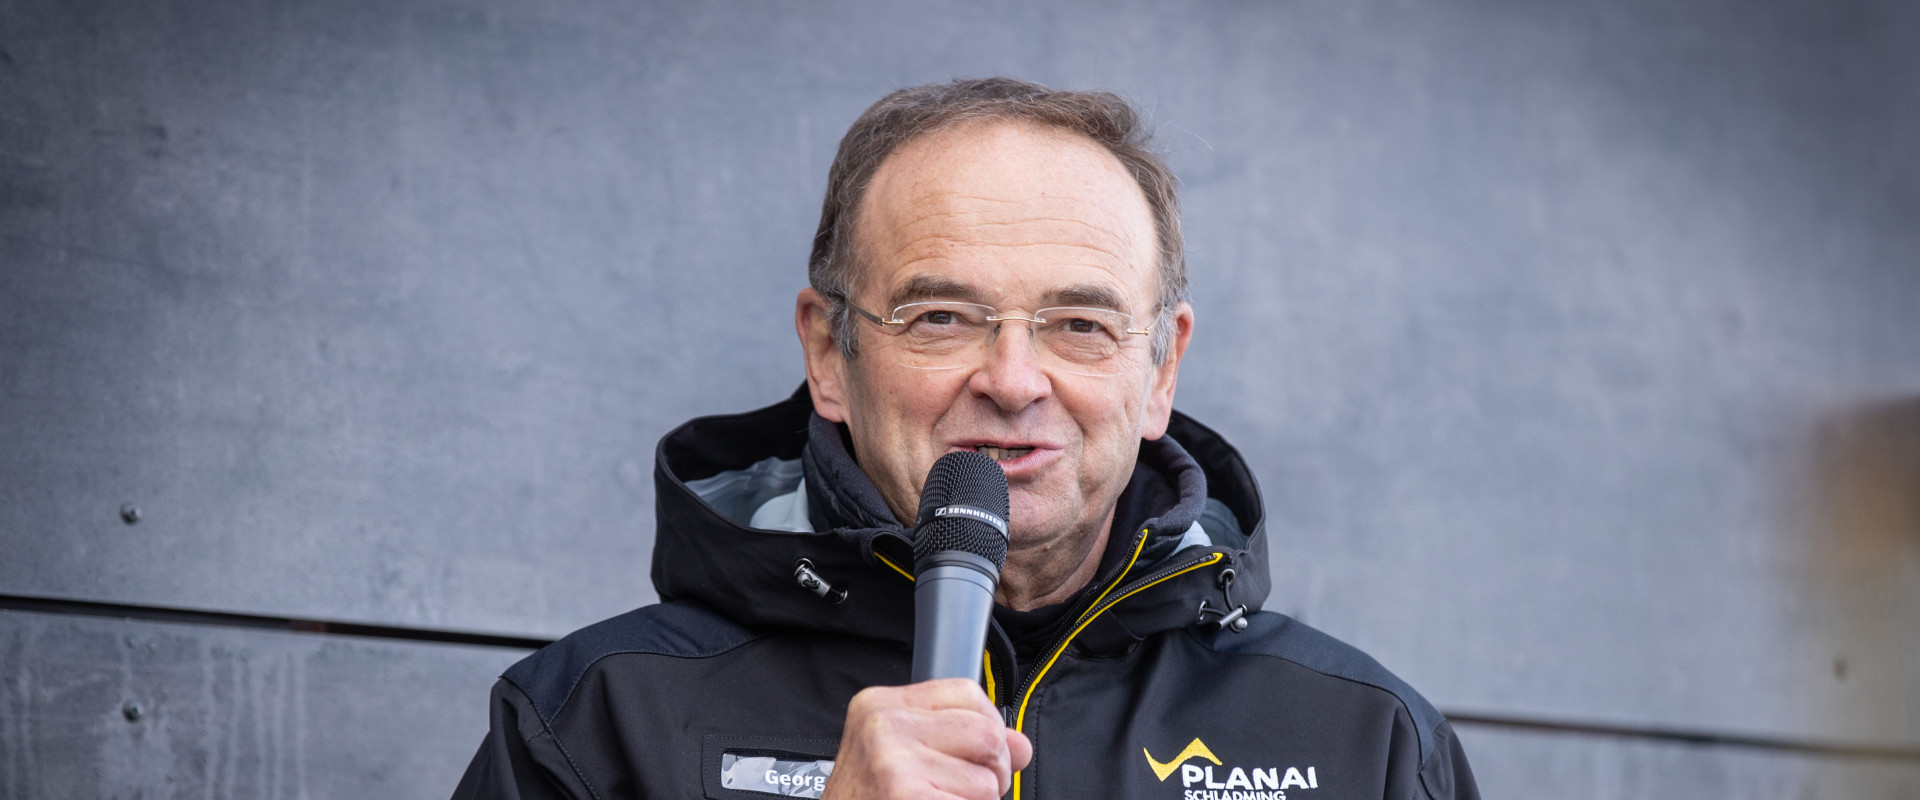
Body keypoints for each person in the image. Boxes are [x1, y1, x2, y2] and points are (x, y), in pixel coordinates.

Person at [452, 77, 1478, 800]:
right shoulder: (596, 721)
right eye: (942, 317)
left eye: (1080, 324)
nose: (1014, 379)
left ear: (1161, 370)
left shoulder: (1369, 745)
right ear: (829, 352)